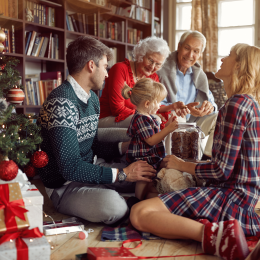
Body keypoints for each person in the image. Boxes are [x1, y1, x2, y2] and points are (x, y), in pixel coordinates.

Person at [130, 43, 260, 260]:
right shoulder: (249, 103)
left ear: (239, 66)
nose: (222, 59)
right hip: (245, 197)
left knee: (140, 212)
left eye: (229, 56)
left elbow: (221, 171)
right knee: (158, 195)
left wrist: (179, 164)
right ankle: (213, 228)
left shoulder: (236, 105)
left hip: (232, 199)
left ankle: (217, 235)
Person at [37, 36, 157, 225]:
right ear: (91, 66)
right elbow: (69, 168)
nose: (107, 74)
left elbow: (92, 144)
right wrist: (123, 174)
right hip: (65, 186)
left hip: (93, 167)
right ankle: (124, 202)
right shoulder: (61, 102)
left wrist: (124, 147)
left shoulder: (92, 98)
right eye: (105, 66)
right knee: (114, 207)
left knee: (147, 177)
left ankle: (123, 198)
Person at [99, 36, 189, 128]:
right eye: (150, 60)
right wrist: (149, 116)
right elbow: (117, 109)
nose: (153, 66)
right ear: (141, 54)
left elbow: (153, 106)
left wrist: (173, 106)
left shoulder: (153, 77)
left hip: (137, 116)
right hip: (111, 118)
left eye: (158, 64)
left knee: (177, 118)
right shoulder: (120, 69)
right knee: (153, 121)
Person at [157, 30, 218, 159]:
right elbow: (153, 102)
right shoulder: (161, 69)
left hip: (193, 123)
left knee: (219, 117)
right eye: (187, 48)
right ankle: (175, 164)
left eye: (196, 51)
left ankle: (205, 161)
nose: (190, 54)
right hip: (171, 119)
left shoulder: (199, 75)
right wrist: (175, 107)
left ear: (200, 54)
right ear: (179, 47)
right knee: (178, 119)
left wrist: (209, 107)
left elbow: (211, 102)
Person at [121, 78, 178, 200]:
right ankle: (137, 200)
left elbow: (156, 134)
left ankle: (150, 195)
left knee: (151, 178)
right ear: (147, 103)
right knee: (144, 177)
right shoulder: (140, 118)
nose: (160, 106)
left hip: (151, 155)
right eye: (158, 102)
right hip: (143, 157)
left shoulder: (149, 117)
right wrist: (167, 130)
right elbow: (151, 140)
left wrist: (167, 125)